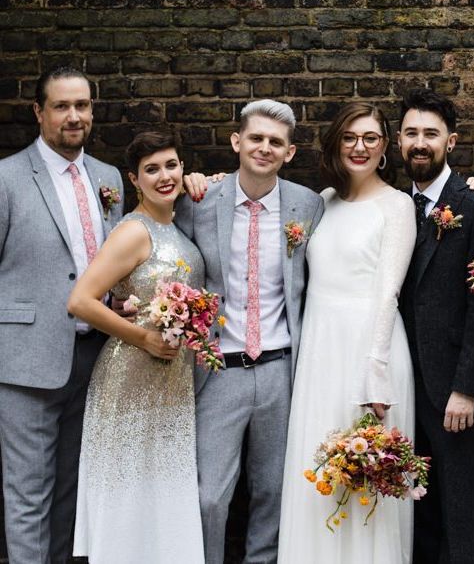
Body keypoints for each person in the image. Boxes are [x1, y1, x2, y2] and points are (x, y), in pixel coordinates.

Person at [174, 100, 324, 564]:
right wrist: (190, 179)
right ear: (237, 142)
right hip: (219, 369)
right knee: (210, 496)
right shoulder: (197, 202)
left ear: (290, 152)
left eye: (275, 142)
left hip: (280, 370)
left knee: (274, 495)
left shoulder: (308, 204)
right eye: (256, 138)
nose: (265, 147)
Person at [278, 102, 417, 563]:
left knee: (365, 477)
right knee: (318, 474)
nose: (359, 147)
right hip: (320, 352)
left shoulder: (397, 206)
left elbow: (387, 293)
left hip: (367, 350)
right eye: (350, 138)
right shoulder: (322, 202)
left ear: (384, 147)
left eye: (371, 138)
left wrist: (375, 371)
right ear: (336, 143)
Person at [0, 67, 124, 564]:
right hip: (27, 362)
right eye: (62, 106)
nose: (74, 117)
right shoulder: (6, 178)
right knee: (29, 493)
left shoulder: (109, 178)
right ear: (39, 112)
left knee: (73, 493)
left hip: (94, 358)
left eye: (83, 106)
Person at [67, 131, 205, 563]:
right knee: (128, 492)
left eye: (172, 165)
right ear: (134, 179)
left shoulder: (178, 230)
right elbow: (81, 301)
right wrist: (143, 336)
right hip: (128, 380)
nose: (165, 176)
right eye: (152, 170)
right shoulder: (133, 231)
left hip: (171, 383)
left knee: (162, 494)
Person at [397, 88, 474, 564]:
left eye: (430, 134)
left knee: (460, 512)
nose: (420, 143)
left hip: (454, 392)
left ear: (451, 141)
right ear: (398, 141)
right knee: (415, 510)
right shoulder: (395, 207)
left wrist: (466, 388)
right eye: (410, 133)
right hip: (403, 385)